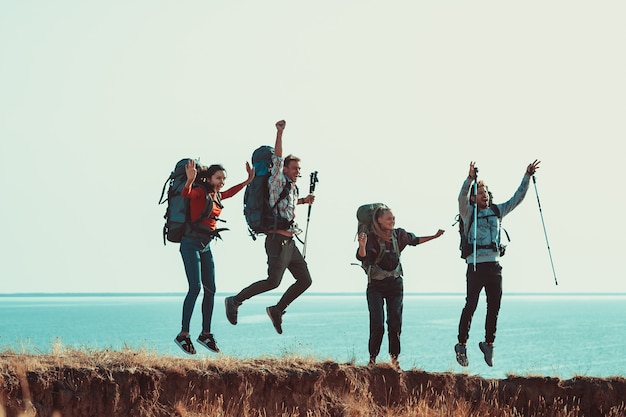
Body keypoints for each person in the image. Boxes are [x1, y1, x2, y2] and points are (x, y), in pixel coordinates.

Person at [225, 120, 315, 335]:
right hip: (276, 241)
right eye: (294, 168)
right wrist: (280, 133)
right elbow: (277, 157)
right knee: (273, 282)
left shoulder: (292, 188)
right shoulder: (277, 180)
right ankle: (235, 300)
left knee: (305, 280)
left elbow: (285, 206)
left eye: (299, 169)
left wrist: (303, 201)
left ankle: (277, 310)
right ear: (284, 168)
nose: (297, 172)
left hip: (290, 242)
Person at [455, 159, 540, 367]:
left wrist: (527, 176)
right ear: (473, 197)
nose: (484, 194)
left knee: (494, 306)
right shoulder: (468, 213)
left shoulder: (497, 211)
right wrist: (469, 179)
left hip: (494, 266)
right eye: (479, 191)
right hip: (475, 266)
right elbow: (460, 198)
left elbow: (517, 198)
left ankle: (489, 344)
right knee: (471, 305)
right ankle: (461, 345)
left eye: (485, 191)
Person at [174, 160, 254, 355]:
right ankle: (183, 334)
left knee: (211, 289)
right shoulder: (200, 192)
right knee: (195, 288)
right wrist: (190, 180)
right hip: (190, 244)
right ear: (209, 178)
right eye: (218, 178)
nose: (222, 182)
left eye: (224, 179)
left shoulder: (216, 195)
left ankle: (205, 334)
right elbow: (187, 194)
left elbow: (228, 193)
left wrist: (247, 181)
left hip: (205, 246)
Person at [356, 206, 444, 370]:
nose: (392, 221)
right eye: (389, 218)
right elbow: (363, 256)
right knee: (378, 324)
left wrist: (434, 236)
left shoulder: (399, 235)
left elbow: (415, 240)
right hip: (376, 285)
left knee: (395, 323)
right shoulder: (372, 238)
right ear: (379, 220)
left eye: (393, 218)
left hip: (395, 284)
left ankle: (394, 361)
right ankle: (372, 359)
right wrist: (362, 245)